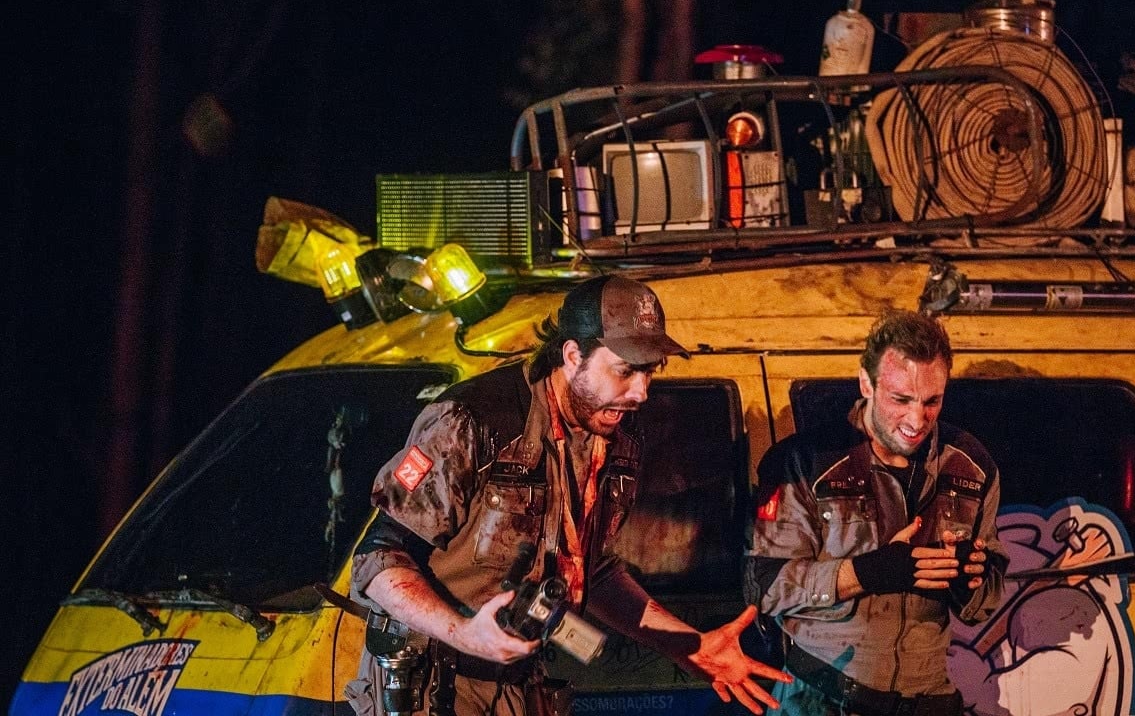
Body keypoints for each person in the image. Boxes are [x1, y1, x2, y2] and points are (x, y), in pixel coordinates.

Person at [347, 275, 790, 716]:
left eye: (650, 371)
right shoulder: (475, 420)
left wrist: (686, 644)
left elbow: (592, 569)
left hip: (521, 682)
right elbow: (377, 556)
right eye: (625, 371)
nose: (641, 392)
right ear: (573, 355)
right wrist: (463, 632)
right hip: (433, 685)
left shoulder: (617, 434)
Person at [743, 309, 1007, 716]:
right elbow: (765, 587)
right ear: (866, 382)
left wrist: (970, 581)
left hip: (930, 701)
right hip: (823, 698)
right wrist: (866, 572)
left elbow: (987, 600)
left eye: (932, 401)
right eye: (900, 399)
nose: (917, 420)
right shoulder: (807, 461)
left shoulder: (970, 465)